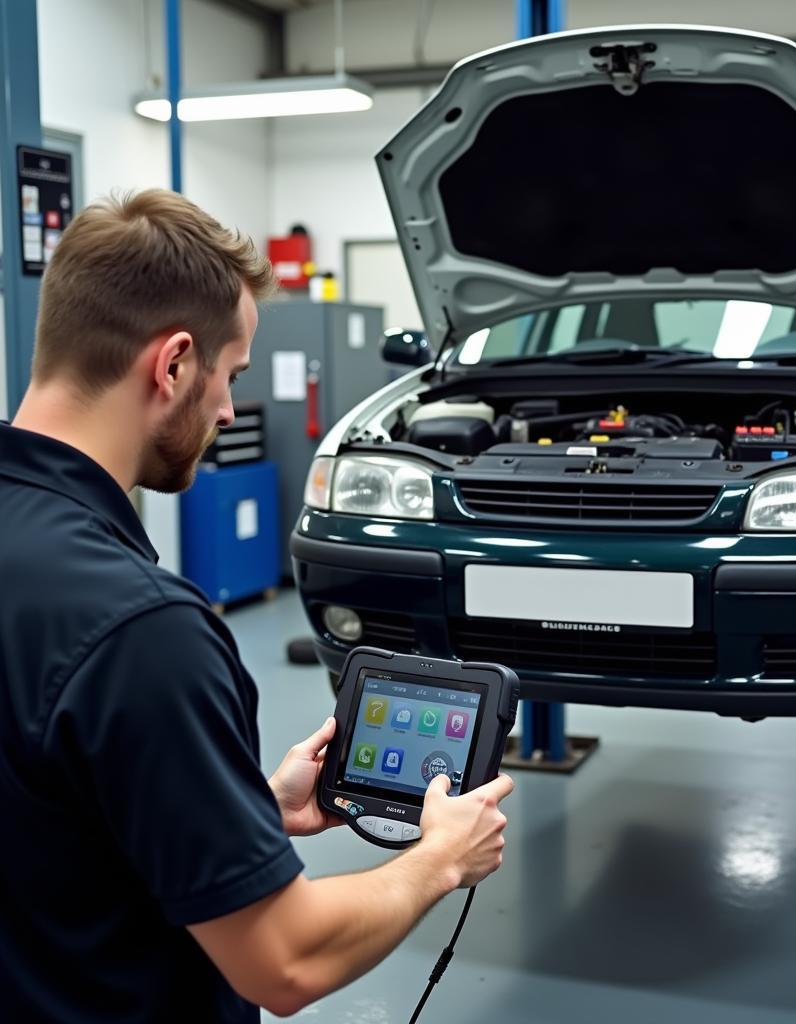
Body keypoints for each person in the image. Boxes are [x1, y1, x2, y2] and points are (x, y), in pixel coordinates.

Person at [0, 189, 514, 1022]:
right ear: (172, 366)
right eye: (229, 375)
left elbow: (48, 817)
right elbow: (283, 961)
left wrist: (249, 812)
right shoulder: (143, 630)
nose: (230, 411)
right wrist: (440, 860)